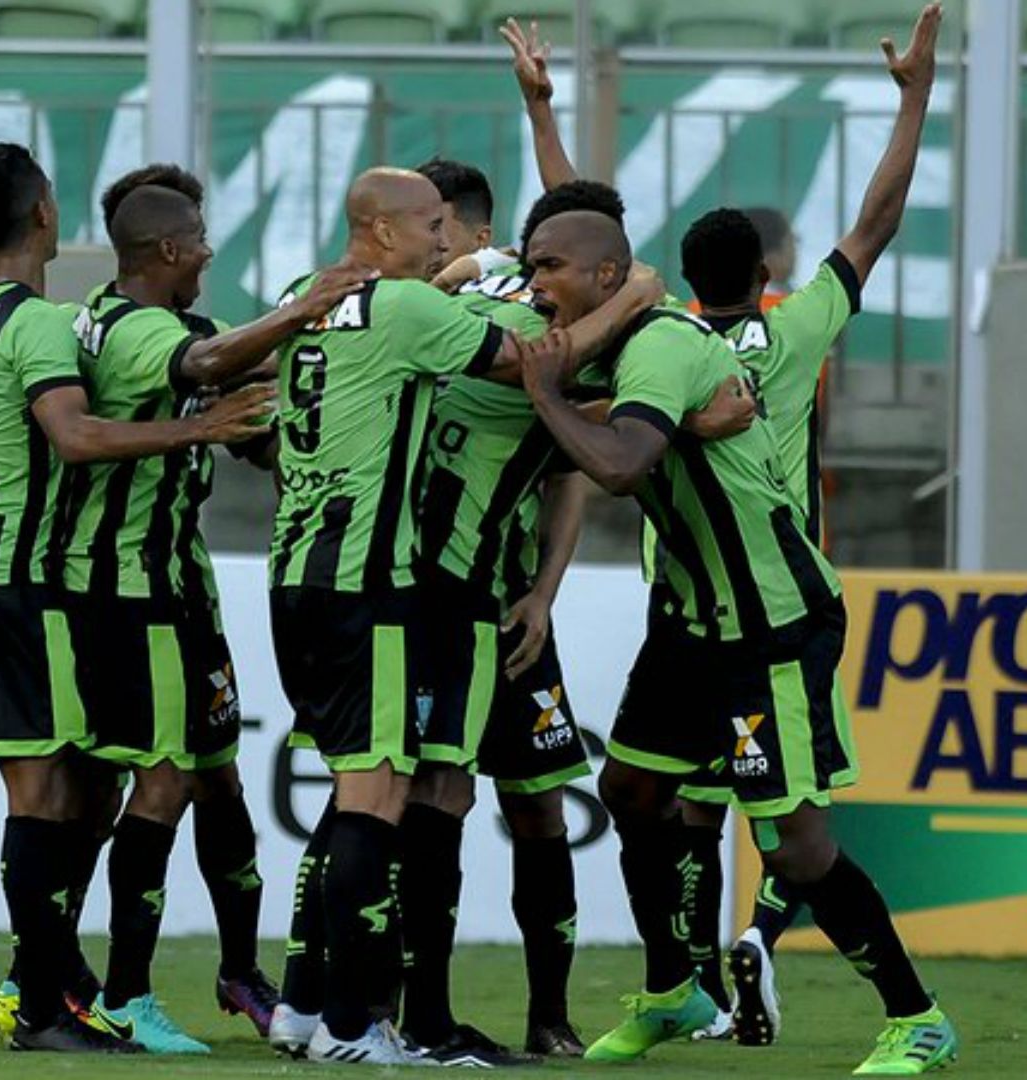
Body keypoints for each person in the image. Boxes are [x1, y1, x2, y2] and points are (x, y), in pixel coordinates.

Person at [0, 142, 271, 1055]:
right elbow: (73, 434)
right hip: (10, 583)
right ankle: (43, 1001)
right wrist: (201, 426)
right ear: (44, 215)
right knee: (49, 795)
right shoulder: (42, 323)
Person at [521, 205, 958, 1075]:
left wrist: (547, 396)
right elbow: (587, 425)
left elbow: (618, 465)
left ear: (607, 278)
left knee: (795, 844)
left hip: (770, 622)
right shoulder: (618, 341)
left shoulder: (664, 346)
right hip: (691, 622)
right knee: (632, 789)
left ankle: (918, 1017)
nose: (535, 286)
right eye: (531, 266)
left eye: (549, 269)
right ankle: (674, 990)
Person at [265, 166, 659, 1066]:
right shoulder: (453, 312)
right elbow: (547, 380)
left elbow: (238, 387)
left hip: (355, 576)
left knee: (398, 789)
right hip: (425, 584)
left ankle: (319, 1005)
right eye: (436, 228)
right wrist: (639, 303)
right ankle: (383, 1023)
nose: (451, 244)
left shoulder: (336, 299)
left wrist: (545, 589)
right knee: (411, 793)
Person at [671, 7, 942, 1049]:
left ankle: (894, 1009)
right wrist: (914, 99)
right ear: (764, 276)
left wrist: (546, 118)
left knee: (763, 826)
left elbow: (579, 257)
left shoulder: (663, 346)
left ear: (686, 278)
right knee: (746, 812)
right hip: (756, 608)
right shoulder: (793, 331)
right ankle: (714, 970)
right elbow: (877, 219)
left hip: (742, 610)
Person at [56, 178, 366, 1053]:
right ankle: (119, 993)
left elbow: (236, 388)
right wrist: (305, 309)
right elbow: (202, 368)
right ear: (165, 249)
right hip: (127, 590)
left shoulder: (179, 326)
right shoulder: (133, 330)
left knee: (217, 777)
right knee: (154, 782)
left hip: (182, 588)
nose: (207, 251)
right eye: (198, 238)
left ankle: (237, 972)